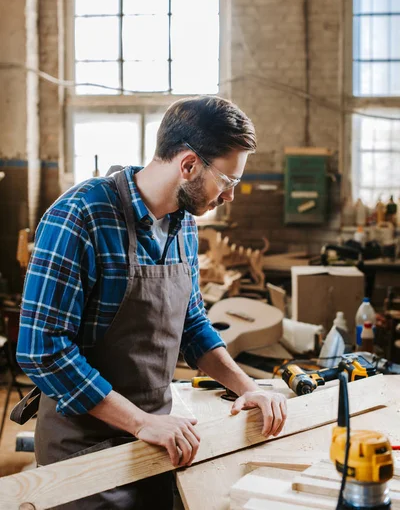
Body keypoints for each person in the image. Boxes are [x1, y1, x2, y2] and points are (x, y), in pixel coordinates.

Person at [15, 95, 287, 509]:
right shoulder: (81, 215)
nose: (230, 196)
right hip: (83, 451)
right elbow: (42, 351)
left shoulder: (184, 226)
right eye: (228, 182)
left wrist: (249, 388)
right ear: (189, 164)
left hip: (159, 441)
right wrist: (140, 422)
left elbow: (192, 325)